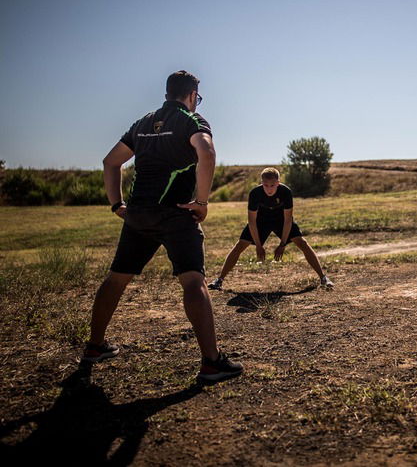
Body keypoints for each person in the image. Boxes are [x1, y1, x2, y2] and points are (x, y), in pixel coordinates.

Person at [82, 70, 243, 383]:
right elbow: (207, 152)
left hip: (138, 214)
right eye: (198, 98)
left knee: (116, 279)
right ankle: (212, 362)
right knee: (194, 281)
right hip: (176, 214)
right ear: (193, 96)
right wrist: (202, 201)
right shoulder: (191, 120)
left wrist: (117, 205)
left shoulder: (143, 123)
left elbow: (110, 162)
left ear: (168, 92)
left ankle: (94, 346)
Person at [208, 167, 334, 290]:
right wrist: (258, 245)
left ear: (278, 183)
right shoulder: (255, 193)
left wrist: (283, 244)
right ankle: (219, 280)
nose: (269, 189)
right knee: (240, 245)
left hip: (280, 219)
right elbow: (252, 221)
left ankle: (323, 278)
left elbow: (288, 220)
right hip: (261, 220)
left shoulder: (285, 192)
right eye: (266, 185)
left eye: (272, 185)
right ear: (261, 183)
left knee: (302, 243)